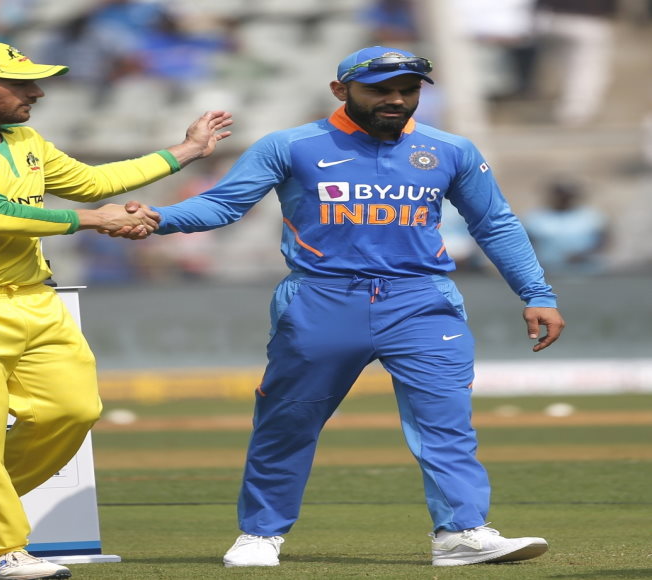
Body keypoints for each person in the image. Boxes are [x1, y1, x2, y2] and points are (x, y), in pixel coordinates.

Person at [141, 45, 565, 568]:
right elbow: (223, 204)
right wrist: (156, 218)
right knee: (288, 422)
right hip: (322, 298)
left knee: (446, 424)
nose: (396, 100)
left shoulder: (450, 150)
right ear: (340, 90)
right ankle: (260, 535)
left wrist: (537, 294)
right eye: (380, 90)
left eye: (408, 90)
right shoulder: (291, 146)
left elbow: (495, 223)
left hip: (421, 300)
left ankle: (460, 533)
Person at [0, 41, 231, 579]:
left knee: (73, 409)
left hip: (32, 296)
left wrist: (187, 150)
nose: (36, 92)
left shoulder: (24, 140)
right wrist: (98, 220)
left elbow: (92, 184)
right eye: (19, 83)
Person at [523, 178, 609, 274]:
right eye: (560, 195)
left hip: (586, 270)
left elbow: (603, 241)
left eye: (567, 195)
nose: (563, 198)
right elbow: (528, 243)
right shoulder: (536, 218)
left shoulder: (591, 216)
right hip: (548, 271)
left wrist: (584, 255)